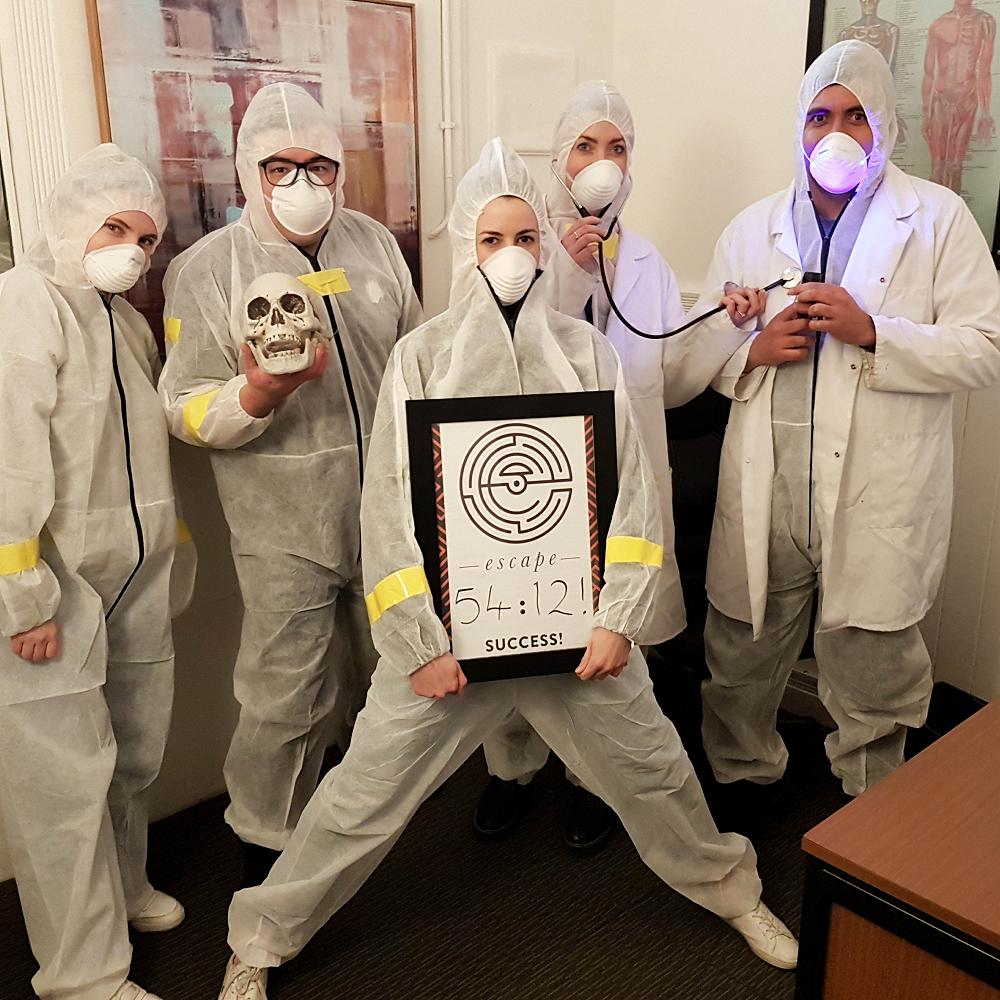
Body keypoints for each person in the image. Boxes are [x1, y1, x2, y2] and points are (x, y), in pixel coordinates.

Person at [216, 138, 798, 1000]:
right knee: (360, 797)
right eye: (492, 239)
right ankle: (260, 941)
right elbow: (389, 512)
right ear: (467, 248)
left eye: (526, 237)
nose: (512, 255)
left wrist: (619, 620)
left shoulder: (587, 353)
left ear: (547, 243)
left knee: (657, 771)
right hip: (447, 649)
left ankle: (734, 892)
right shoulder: (422, 359)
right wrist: (417, 643)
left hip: (581, 639)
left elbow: (633, 500)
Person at [699, 40, 1000, 807]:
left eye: (856, 116)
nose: (836, 133)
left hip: (875, 490)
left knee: (874, 655)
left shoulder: (937, 220)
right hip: (768, 485)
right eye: (820, 116)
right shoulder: (752, 228)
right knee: (742, 645)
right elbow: (699, 347)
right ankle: (741, 775)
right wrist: (752, 349)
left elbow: (986, 349)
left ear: (884, 124)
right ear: (799, 128)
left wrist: (873, 332)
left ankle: (870, 802)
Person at [474, 80, 764, 852]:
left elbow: (668, 377)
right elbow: (502, 358)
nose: (602, 163)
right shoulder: (515, 246)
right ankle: (510, 769)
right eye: (585, 146)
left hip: (622, 482)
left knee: (606, 643)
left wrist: (728, 327)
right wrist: (563, 272)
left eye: (617, 147)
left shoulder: (646, 262)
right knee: (521, 630)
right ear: (558, 158)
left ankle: (591, 781)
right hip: (532, 478)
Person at [159, 83, 423, 885]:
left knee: (397, 667)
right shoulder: (208, 271)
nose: (303, 183)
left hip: (387, 511)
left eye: (319, 165)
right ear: (249, 171)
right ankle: (264, 843)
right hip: (283, 525)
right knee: (286, 692)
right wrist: (258, 395)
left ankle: (379, 816)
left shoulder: (373, 246)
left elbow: (418, 360)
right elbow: (183, 406)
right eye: (281, 166)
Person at [0, 143, 195, 1000]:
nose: (131, 251)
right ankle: (82, 975)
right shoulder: (24, 305)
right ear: (71, 220)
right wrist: (23, 599)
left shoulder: (122, 321)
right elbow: (7, 466)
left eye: (145, 239)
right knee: (64, 786)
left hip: (132, 580)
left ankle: (125, 888)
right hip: (53, 594)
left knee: (131, 756)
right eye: (115, 228)